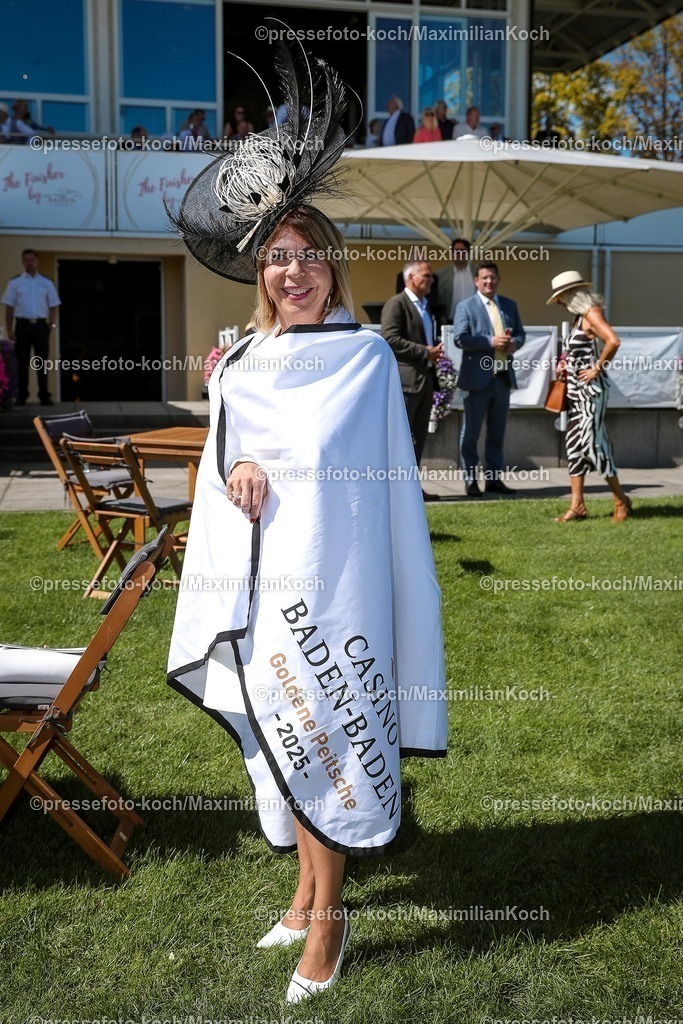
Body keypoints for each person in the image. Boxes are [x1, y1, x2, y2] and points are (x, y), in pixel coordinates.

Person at [167, 40, 447, 1005]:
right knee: (285, 736)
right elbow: (227, 457)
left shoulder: (364, 360)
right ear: (262, 272)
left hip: (336, 592)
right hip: (260, 585)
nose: (296, 274)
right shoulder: (238, 364)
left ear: (330, 263)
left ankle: (326, 927)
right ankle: (303, 894)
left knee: (323, 739)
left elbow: (356, 482)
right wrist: (237, 457)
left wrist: (271, 464)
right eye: (278, 260)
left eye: (310, 257)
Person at [546, 271, 632, 522]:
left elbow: (613, 341)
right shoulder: (578, 318)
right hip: (576, 393)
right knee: (573, 446)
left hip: (591, 393)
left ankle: (621, 500)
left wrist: (597, 368)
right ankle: (577, 506)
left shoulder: (591, 313)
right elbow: (581, 350)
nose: (560, 302)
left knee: (595, 446)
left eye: (560, 297)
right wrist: (566, 365)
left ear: (570, 294)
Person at [454, 261, 525, 496]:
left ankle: (494, 480)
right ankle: (471, 480)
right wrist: (489, 341)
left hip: (502, 379)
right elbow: (460, 338)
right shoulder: (466, 306)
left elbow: (521, 334)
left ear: (498, 279)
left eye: (493, 277)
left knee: (497, 433)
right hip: (477, 381)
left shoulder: (509, 305)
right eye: (484, 278)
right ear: (476, 281)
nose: (489, 281)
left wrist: (514, 343)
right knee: (470, 434)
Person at [381, 261, 443, 473]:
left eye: (431, 276)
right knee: (401, 439)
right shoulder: (397, 303)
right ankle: (397, 488)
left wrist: (434, 352)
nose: (431, 280)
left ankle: (413, 488)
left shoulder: (426, 306)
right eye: (426, 276)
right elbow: (389, 338)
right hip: (406, 383)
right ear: (411, 278)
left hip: (425, 379)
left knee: (418, 438)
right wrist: (425, 351)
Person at [2, 249, 60, 406]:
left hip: (41, 326)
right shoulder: (15, 283)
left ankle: (44, 395)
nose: (30, 263)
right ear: (23, 262)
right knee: (22, 362)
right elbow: (9, 308)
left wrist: (51, 324)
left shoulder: (46, 283)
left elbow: (54, 305)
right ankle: (22, 396)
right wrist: (9, 329)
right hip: (22, 325)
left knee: (41, 362)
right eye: (26, 260)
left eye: (32, 260)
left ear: (37, 261)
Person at [436, 238, 475, 326]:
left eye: (463, 251)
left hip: (473, 323)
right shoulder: (441, 275)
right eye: (456, 251)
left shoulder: (477, 273)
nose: (459, 254)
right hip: (448, 323)